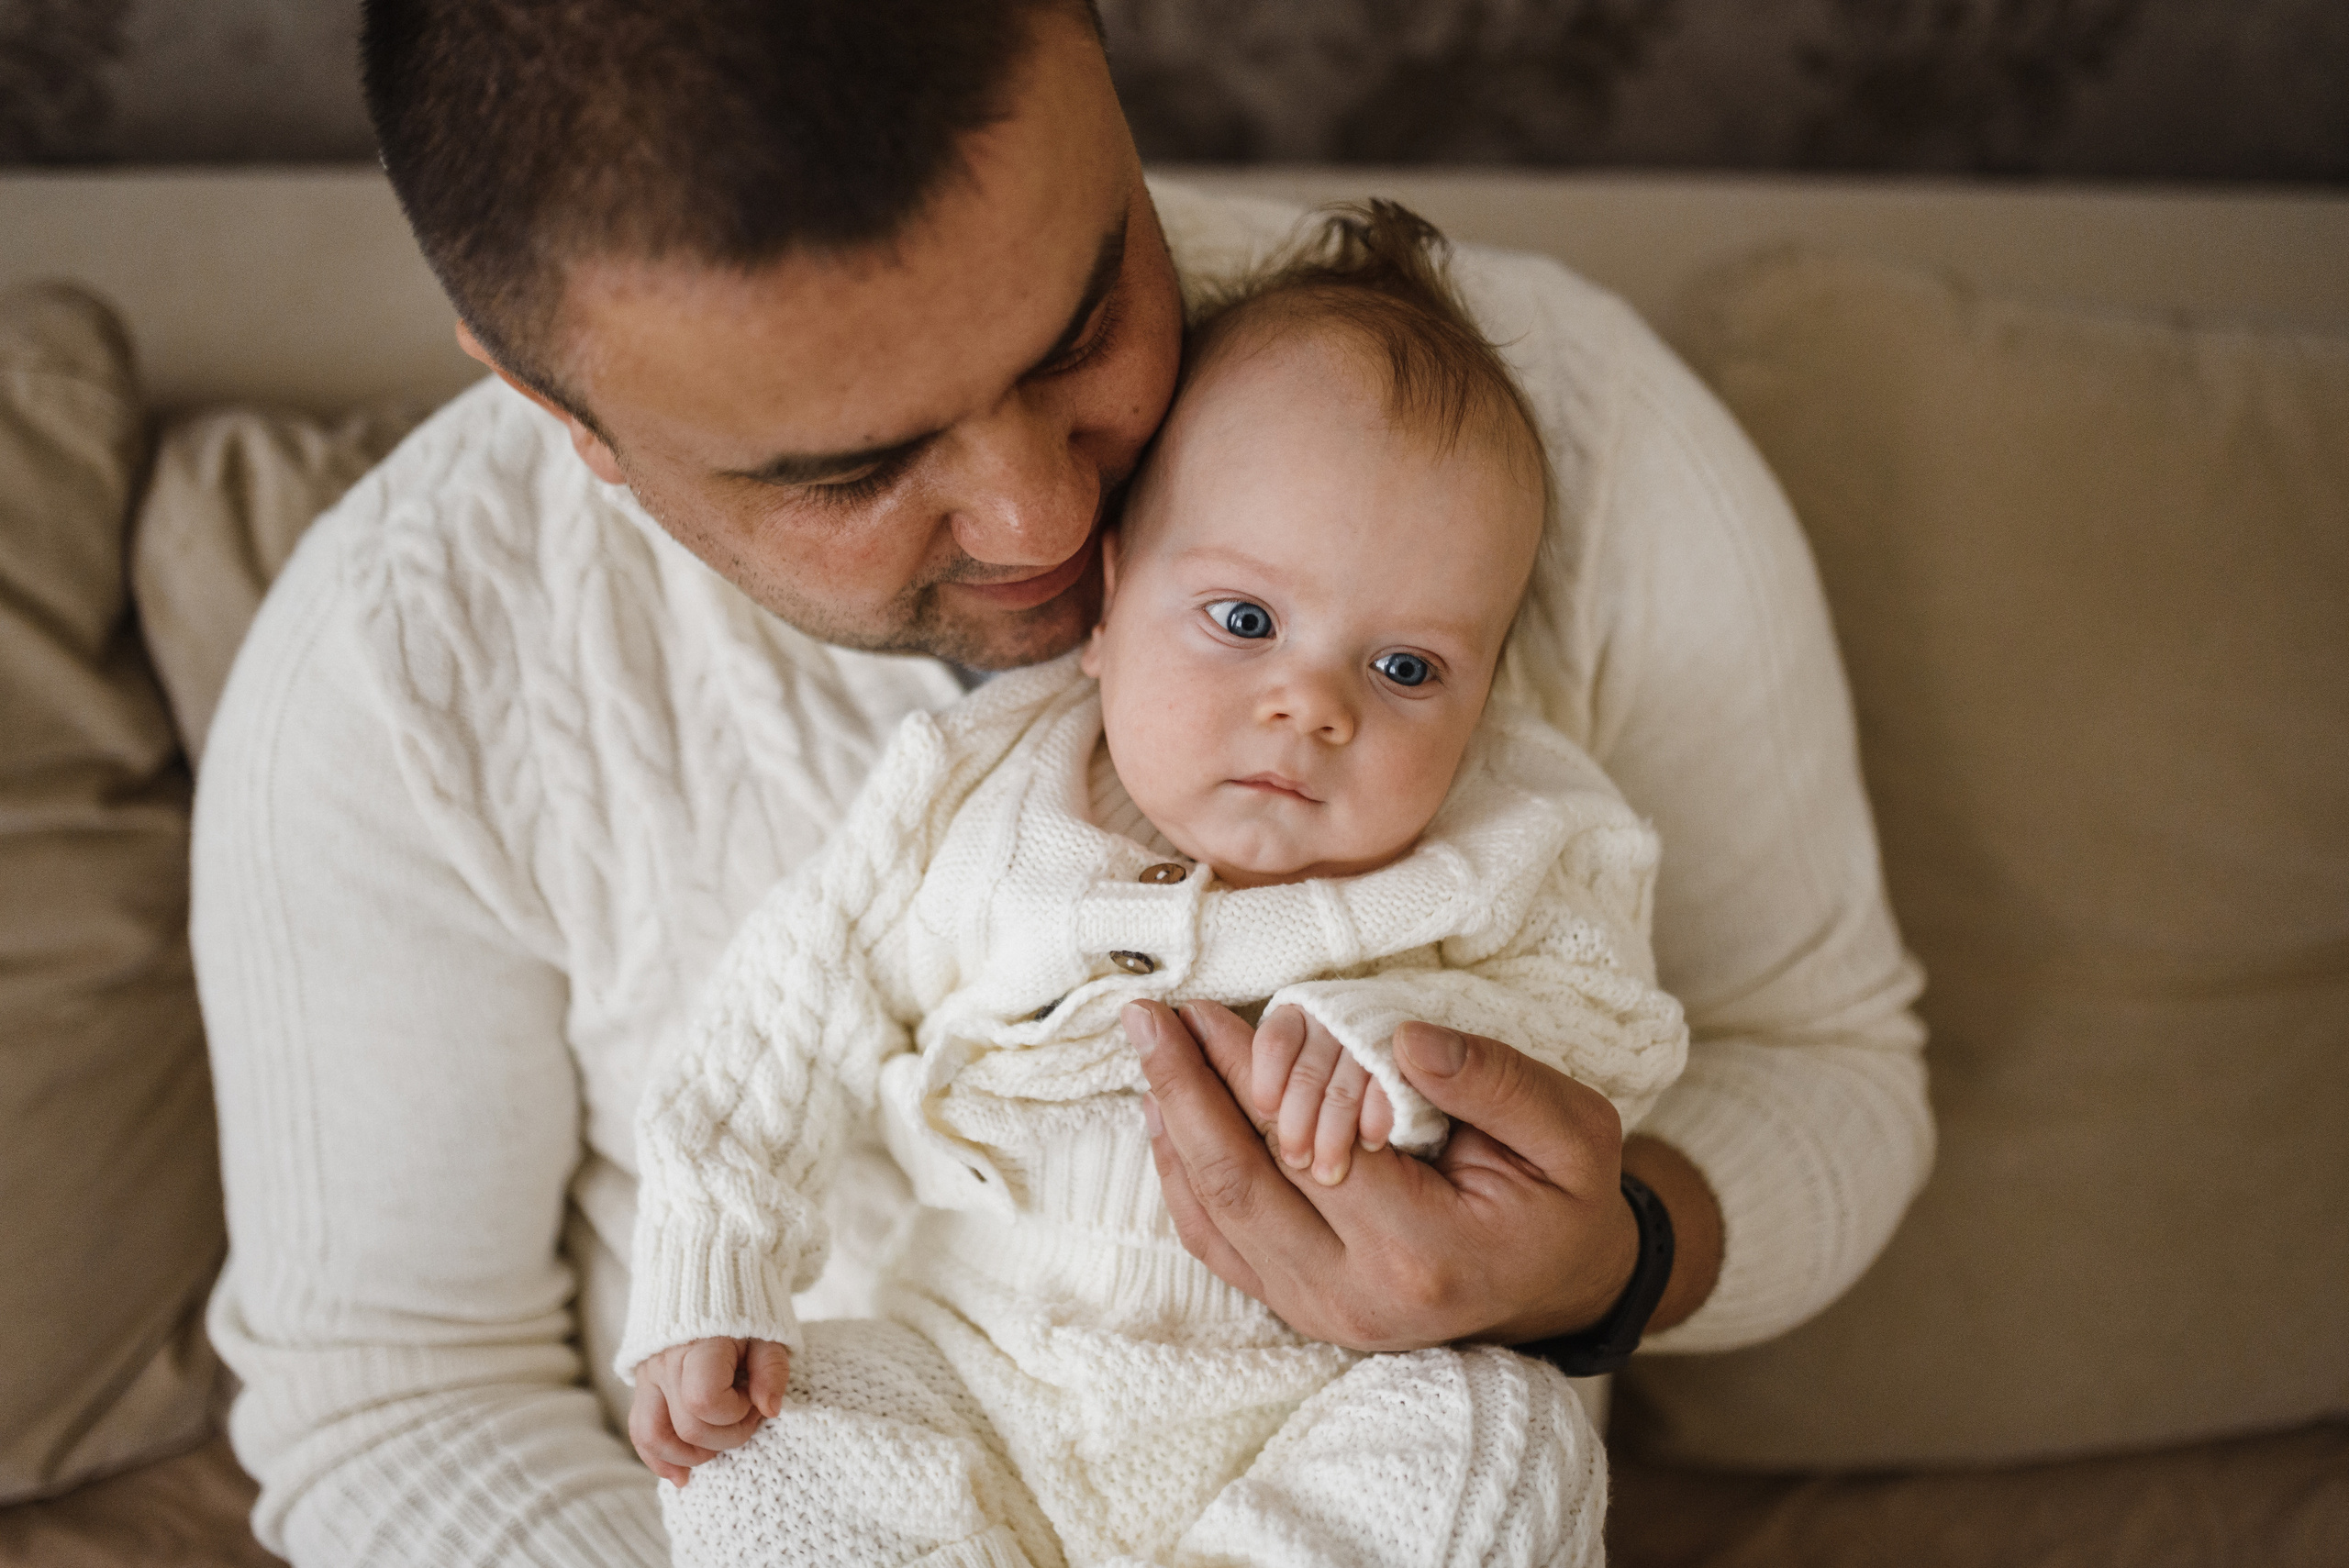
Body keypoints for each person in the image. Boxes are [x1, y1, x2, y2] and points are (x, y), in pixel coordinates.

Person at [193, 2, 1932, 1563]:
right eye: (853, 470)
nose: (1044, 524)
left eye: (1079, 321)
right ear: (555, 403)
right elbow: (395, 1401)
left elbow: (1832, 1062)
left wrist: (1613, 1260)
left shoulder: (1569, 442)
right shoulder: (396, 666)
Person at [622, 206, 1689, 1568]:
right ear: (1109, 601)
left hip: (1321, 1399)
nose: (1311, 708)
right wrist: (715, 1264)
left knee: (1511, 1434)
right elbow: (782, 1011)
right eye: (1244, 622)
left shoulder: (1512, 845)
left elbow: (1614, 1030)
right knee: (758, 1443)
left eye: (1408, 669)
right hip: (979, 1359)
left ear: (1485, 701)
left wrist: (1412, 1050)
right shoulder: (972, 797)